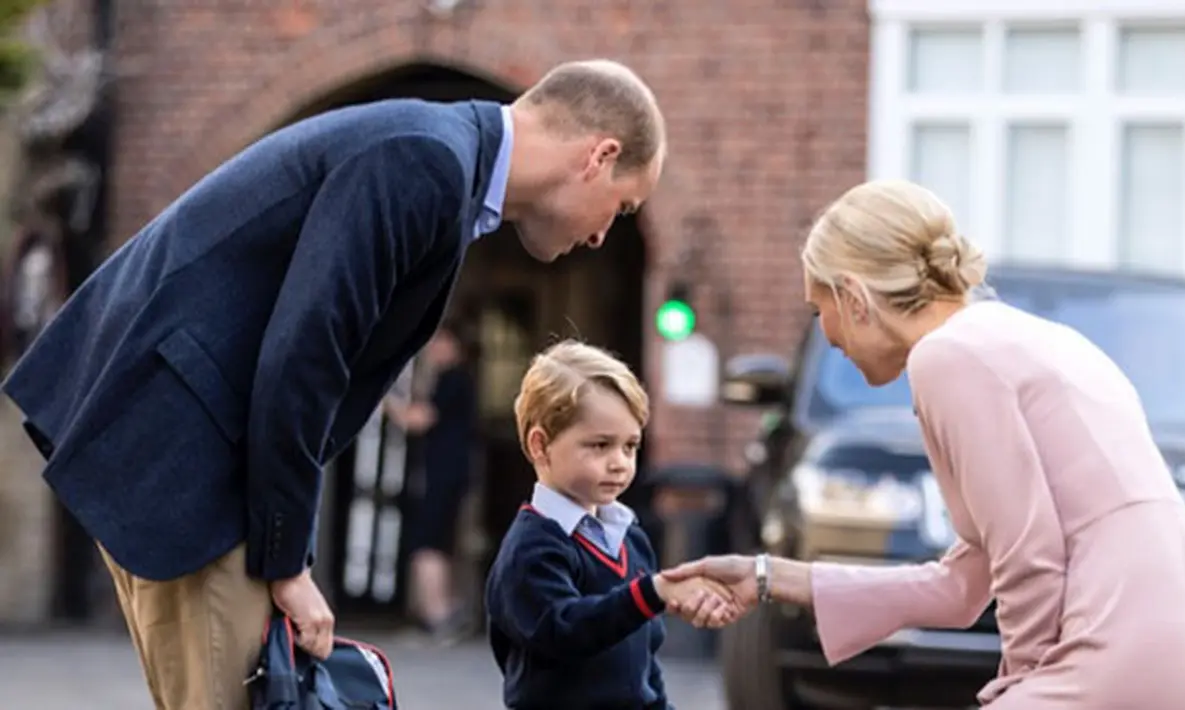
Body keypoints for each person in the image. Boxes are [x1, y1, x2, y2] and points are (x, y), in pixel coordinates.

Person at [0, 58, 666, 710]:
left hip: (184, 442)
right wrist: (287, 563)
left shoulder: (439, 155)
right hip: (192, 454)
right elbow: (304, 356)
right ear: (598, 156)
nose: (606, 233)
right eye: (623, 205)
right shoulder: (425, 161)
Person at [663, 179, 1185, 708]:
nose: (830, 337)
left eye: (821, 310)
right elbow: (962, 585)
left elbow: (1026, 555)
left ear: (855, 297)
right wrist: (767, 576)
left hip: (1114, 645)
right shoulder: (1028, 339)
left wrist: (1017, 687)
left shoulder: (949, 357)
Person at [485, 340, 738, 710]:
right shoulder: (530, 549)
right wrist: (651, 593)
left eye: (630, 446)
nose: (619, 462)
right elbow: (565, 632)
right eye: (600, 445)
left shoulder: (630, 538)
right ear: (540, 445)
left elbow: (644, 662)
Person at [384, 323, 478, 641]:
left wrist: (383, 399)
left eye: (438, 343)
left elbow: (418, 420)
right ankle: (440, 611)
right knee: (436, 541)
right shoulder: (454, 379)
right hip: (448, 474)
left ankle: (437, 614)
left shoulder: (453, 379)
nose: (432, 350)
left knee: (426, 541)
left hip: (441, 474)